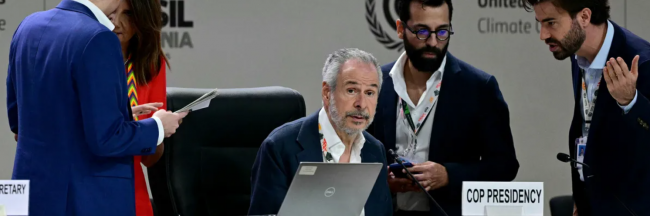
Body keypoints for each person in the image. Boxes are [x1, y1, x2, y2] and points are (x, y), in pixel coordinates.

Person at [5, 0, 187, 215]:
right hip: (82, 196)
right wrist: (158, 126)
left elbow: (18, 120)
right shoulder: (98, 36)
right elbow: (106, 139)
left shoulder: (28, 25)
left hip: (26, 195)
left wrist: (117, 115)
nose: (117, 22)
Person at [365, 0, 519, 215]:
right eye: (422, 32)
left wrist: (448, 175)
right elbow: (357, 157)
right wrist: (384, 181)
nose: (433, 42)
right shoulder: (375, 84)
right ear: (401, 29)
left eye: (442, 32)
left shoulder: (478, 87)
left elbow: (505, 166)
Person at [524, 0, 650, 215]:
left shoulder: (642, 60)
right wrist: (582, 199)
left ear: (584, 17)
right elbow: (587, 130)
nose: (543, 35)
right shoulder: (578, 55)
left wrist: (631, 102)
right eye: (540, 24)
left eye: (551, 22)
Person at [248, 48, 393, 216]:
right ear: (327, 93)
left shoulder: (374, 150)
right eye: (351, 91)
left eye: (369, 93)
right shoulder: (280, 147)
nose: (361, 104)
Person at [112, 0, 169, 215]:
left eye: (127, 14)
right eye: (112, 13)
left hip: (130, 182)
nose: (116, 23)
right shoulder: (85, 57)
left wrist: (159, 131)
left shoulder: (151, 63)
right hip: (87, 179)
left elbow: (149, 158)